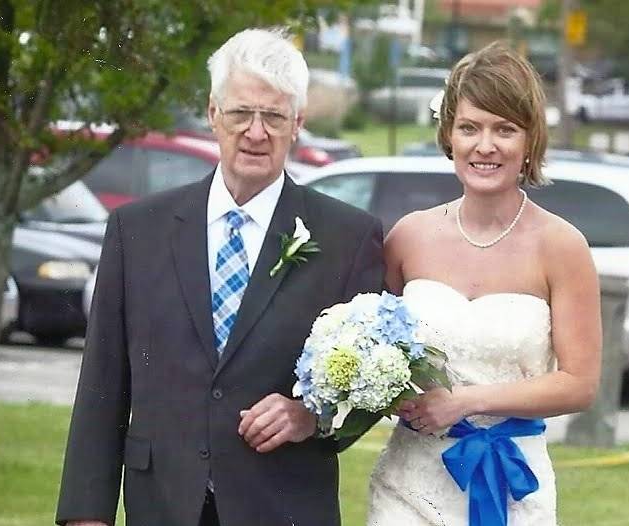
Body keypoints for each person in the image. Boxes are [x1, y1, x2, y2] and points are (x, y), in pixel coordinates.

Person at [56, 28, 384, 526]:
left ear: (297, 123)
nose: (256, 132)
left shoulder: (348, 237)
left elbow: (372, 387)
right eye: (241, 114)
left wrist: (309, 417)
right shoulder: (136, 230)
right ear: (214, 114)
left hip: (282, 505)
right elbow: (102, 383)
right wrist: (86, 514)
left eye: (273, 116)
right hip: (161, 503)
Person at [367, 42, 602, 526]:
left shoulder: (562, 247)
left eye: (504, 130)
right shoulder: (408, 237)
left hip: (515, 481)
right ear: (448, 135)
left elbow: (579, 384)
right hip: (408, 486)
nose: (485, 146)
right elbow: (368, 346)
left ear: (530, 141)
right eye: (469, 128)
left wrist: (465, 402)